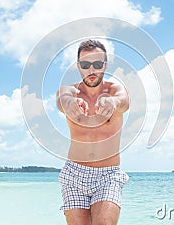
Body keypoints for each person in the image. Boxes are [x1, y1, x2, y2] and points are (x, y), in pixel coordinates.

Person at [56, 39, 130, 225]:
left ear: (105, 65)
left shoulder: (115, 90)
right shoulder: (69, 91)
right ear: (78, 66)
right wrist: (69, 103)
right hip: (74, 174)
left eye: (97, 64)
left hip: (108, 175)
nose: (91, 70)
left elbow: (124, 101)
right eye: (85, 65)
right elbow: (61, 100)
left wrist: (113, 103)